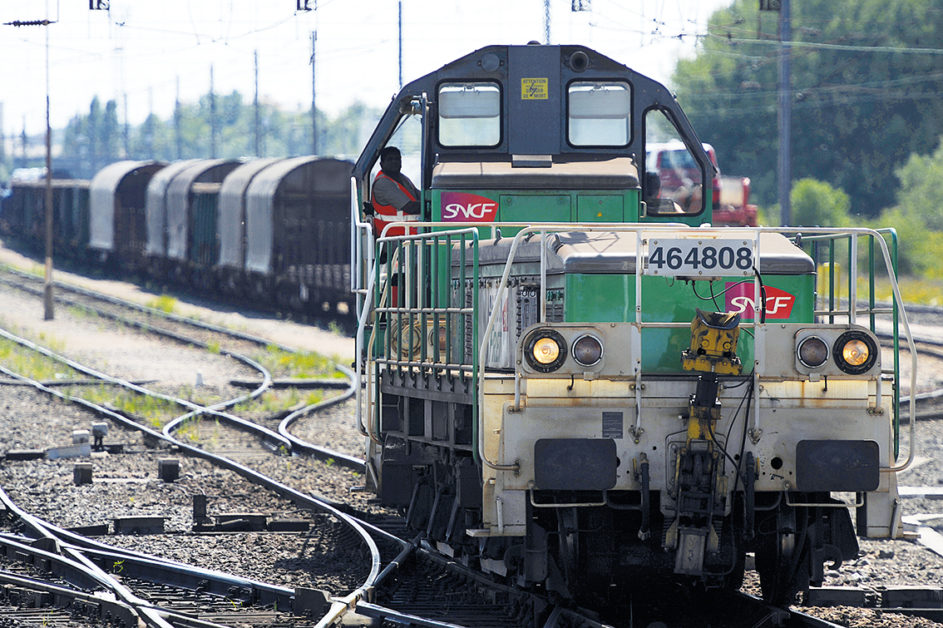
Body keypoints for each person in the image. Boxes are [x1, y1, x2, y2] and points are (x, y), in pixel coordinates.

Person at [370, 146, 421, 238]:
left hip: (408, 235)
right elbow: (410, 207)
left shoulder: (403, 179)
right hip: (392, 239)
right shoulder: (383, 183)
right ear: (382, 164)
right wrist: (435, 205)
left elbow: (420, 195)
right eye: (390, 159)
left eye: (397, 159)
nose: (394, 162)